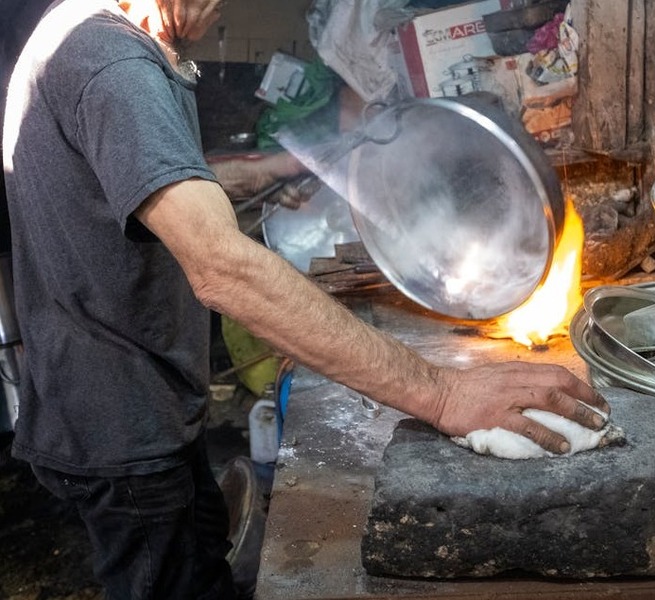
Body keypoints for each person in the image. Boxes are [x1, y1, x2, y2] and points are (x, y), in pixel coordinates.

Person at [2, 1, 611, 598]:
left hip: (129, 401)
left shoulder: (80, 33)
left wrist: (275, 169)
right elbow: (221, 267)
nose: (220, 14)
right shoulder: (112, 61)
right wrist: (442, 391)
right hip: (120, 420)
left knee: (200, 564)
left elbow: (136, 187)